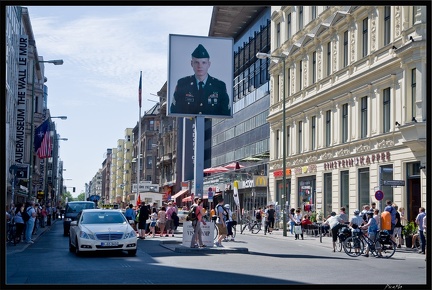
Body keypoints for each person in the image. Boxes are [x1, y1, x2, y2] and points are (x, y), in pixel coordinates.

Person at [170, 44, 230, 116]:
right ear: (192, 64)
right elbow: (174, 110)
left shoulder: (219, 86)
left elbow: (226, 112)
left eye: (203, 62)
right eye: (196, 62)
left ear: (209, 64)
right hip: (189, 124)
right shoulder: (182, 84)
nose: (200, 66)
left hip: (212, 125)